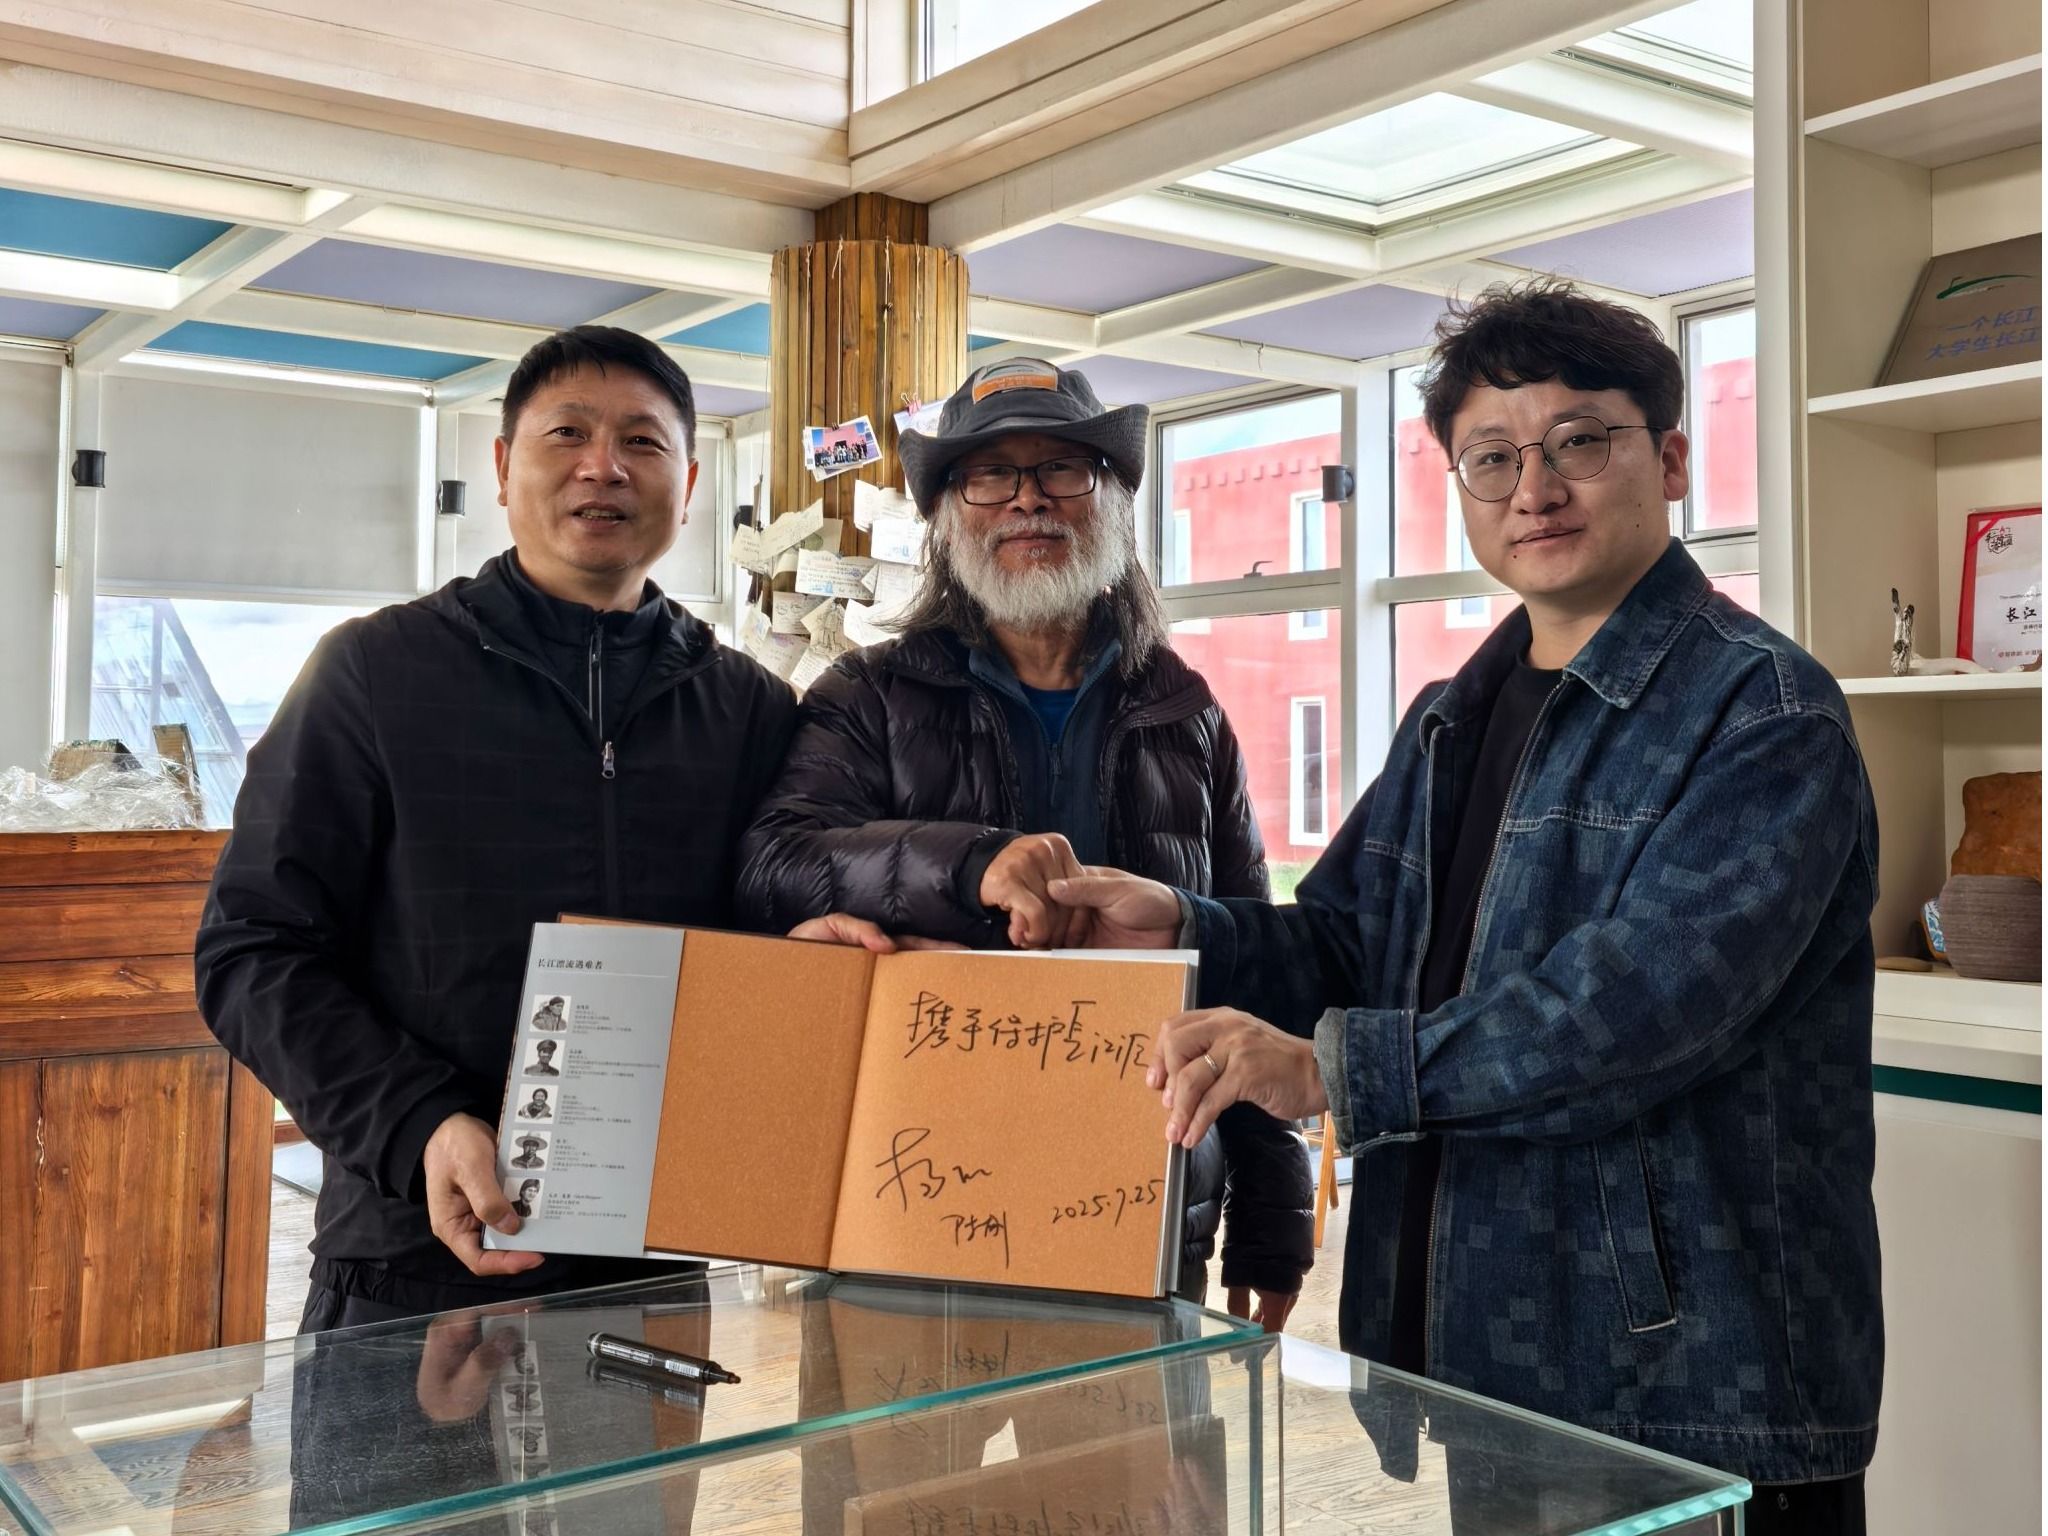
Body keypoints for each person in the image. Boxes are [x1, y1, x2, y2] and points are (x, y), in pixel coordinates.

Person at [1051, 283, 1883, 1534]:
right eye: (1490, 458)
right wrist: (1179, 924)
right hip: (1494, 1354)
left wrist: (1335, 1070)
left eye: (1576, 443)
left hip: (1693, 1381)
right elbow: (1348, 938)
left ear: (1668, 460)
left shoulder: (1763, 714)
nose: (1531, 490)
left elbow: (1632, 1010)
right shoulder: (1451, 716)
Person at [196, 324, 836, 1332]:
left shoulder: (750, 709)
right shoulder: (372, 674)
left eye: (641, 442)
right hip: (408, 1259)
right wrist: (418, 1123)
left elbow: (761, 934)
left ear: (688, 485)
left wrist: (813, 956)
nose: (602, 467)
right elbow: (252, 950)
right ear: (501, 468)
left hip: (650, 1270)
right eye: (567, 433)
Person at [737, 356, 1314, 1325]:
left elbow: (1247, 961)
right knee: (897, 1434)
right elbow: (771, 864)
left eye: (1061, 469)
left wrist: (1272, 1213)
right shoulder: (868, 697)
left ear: (1112, 500)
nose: (1027, 500)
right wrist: (964, 865)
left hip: (1143, 1193)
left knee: (1135, 1434)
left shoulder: (1186, 712)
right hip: (910, 1195)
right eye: (989, 476)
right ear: (943, 515)